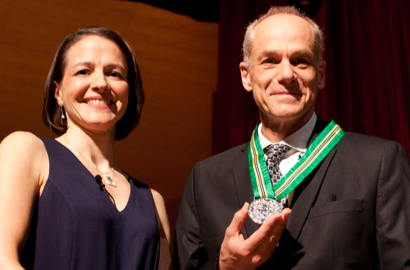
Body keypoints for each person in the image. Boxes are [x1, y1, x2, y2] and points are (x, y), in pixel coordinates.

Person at [173, 6, 410, 270]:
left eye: (300, 61)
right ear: (246, 76)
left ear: (320, 75)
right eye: (270, 61)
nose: (286, 74)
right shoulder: (203, 180)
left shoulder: (379, 163)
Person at [0, 27, 171, 270]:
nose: (100, 83)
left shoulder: (153, 202)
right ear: (57, 92)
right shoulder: (26, 151)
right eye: (83, 71)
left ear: (129, 93)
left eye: (114, 74)